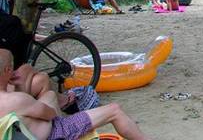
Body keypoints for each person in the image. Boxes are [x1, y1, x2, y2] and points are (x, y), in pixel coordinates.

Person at [0, 49, 150, 140]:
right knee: (115, 110)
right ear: (7, 71)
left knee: (50, 95)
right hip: (53, 134)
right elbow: (50, 115)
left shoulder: (14, 100)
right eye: (12, 68)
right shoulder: (17, 100)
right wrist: (21, 85)